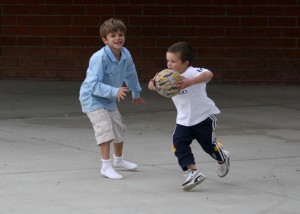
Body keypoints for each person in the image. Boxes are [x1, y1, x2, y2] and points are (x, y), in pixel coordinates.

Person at [148, 41, 230, 191]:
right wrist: (153, 84)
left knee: (209, 146)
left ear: (185, 63)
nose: (169, 64)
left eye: (173, 61)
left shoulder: (193, 72)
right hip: (184, 120)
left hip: (203, 118)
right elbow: (151, 83)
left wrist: (191, 82)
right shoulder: (167, 76)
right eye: (168, 60)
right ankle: (193, 172)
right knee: (178, 143)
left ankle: (222, 157)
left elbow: (209, 74)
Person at [79, 18, 146, 180]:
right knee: (105, 129)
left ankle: (119, 161)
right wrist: (114, 90)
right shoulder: (99, 57)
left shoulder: (126, 54)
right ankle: (106, 166)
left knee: (119, 128)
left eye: (120, 34)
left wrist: (136, 93)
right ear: (105, 40)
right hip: (92, 98)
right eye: (112, 35)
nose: (118, 38)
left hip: (109, 99)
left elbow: (131, 73)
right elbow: (93, 84)